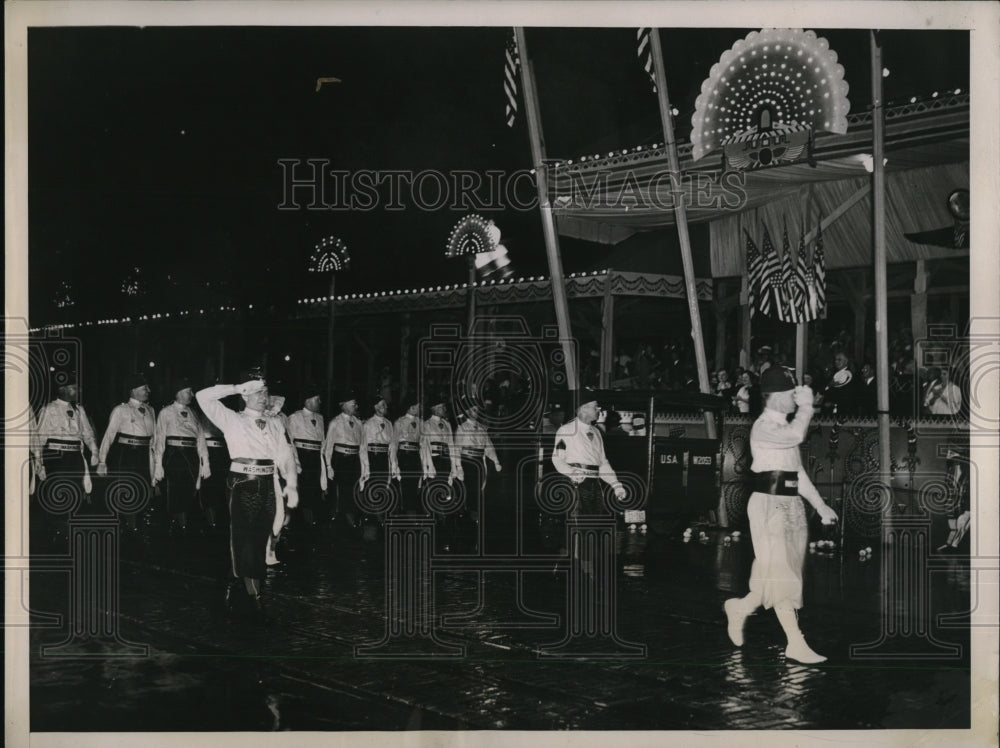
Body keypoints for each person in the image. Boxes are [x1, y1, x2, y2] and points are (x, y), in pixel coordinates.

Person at [724, 366, 839, 665]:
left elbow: (798, 474)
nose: (795, 398)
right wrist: (807, 407)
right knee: (782, 575)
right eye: (791, 394)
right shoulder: (764, 427)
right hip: (769, 506)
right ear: (774, 396)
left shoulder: (785, 431)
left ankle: (739, 609)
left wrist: (821, 506)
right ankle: (794, 643)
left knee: (770, 578)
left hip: (791, 506)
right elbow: (797, 433)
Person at [196, 370, 297, 620]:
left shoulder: (275, 422)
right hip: (243, 481)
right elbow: (203, 396)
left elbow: (285, 455)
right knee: (243, 536)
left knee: (261, 536)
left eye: (265, 392)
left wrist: (291, 484)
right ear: (246, 395)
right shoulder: (232, 419)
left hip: (268, 481)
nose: (264, 396)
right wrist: (237, 386)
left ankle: (240, 582)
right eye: (258, 392)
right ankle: (253, 593)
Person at [33, 372, 101, 523]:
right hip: (57, 457)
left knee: (76, 492)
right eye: (74, 388)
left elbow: (88, 433)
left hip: (75, 457)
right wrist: (39, 461)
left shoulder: (79, 410)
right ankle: (55, 528)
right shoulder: (48, 409)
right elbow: (39, 437)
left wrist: (94, 451)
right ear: (63, 389)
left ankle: (69, 527)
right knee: (57, 493)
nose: (79, 391)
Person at [97, 373, 156, 531]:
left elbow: (154, 438)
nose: (148, 391)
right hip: (126, 454)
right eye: (144, 388)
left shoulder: (150, 410)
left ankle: (137, 526)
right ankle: (126, 527)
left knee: (143, 490)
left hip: (144, 455)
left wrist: (156, 462)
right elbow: (109, 436)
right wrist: (102, 461)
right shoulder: (120, 410)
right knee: (126, 491)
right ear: (133, 390)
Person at [551, 396, 627, 517]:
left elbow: (602, 463)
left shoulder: (597, 432)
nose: (599, 409)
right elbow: (557, 458)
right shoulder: (566, 430)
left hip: (595, 486)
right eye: (595, 406)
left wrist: (616, 484)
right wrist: (571, 473)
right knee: (577, 527)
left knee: (595, 525)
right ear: (584, 408)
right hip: (575, 484)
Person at [154, 378, 210, 536]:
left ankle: (183, 522)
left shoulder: (193, 413)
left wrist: (206, 462)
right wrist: (158, 463)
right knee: (174, 490)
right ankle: (177, 524)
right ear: (178, 393)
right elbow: (159, 439)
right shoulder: (166, 412)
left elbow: (200, 439)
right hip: (174, 454)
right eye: (188, 391)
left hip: (191, 455)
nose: (192, 395)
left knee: (190, 489)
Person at [421, 399, 464, 551]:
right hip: (433, 459)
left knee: (446, 490)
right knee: (434, 490)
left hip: (445, 460)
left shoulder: (447, 424)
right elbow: (425, 446)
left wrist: (454, 465)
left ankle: (445, 521)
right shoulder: (426, 424)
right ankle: (437, 521)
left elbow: (451, 445)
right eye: (441, 406)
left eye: (444, 407)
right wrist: (428, 465)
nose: (444, 409)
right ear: (433, 408)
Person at [455, 404, 502, 533]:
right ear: (467, 412)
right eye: (472, 410)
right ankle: (469, 518)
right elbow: (457, 448)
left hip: (479, 461)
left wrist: (496, 461)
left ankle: (476, 519)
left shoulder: (481, 429)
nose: (475, 413)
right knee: (470, 489)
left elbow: (489, 447)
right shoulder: (461, 428)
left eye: (476, 410)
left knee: (480, 487)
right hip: (467, 462)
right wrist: (458, 466)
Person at [286, 384, 327, 528]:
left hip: (315, 458)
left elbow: (323, 441)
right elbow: (289, 442)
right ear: (307, 400)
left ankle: (312, 524)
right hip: (302, 458)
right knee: (302, 491)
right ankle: (299, 524)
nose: (320, 402)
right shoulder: (294, 417)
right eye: (317, 399)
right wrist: (295, 462)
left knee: (315, 490)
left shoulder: (321, 418)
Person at [359, 395, 399, 538]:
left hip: (384, 459)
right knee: (372, 488)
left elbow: (393, 445)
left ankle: (381, 519)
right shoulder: (367, 424)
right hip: (372, 458)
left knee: (384, 488)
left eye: (385, 405)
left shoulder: (389, 424)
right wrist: (366, 466)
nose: (385, 407)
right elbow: (363, 447)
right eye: (382, 405)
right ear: (375, 407)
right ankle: (372, 521)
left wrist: (393, 464)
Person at [324, 392, 364, 531]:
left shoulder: (359, 423)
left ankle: (350, 516)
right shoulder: (335, 422)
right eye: (353, 404)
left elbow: (363, 446)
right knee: (339, 489)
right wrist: (329, 466)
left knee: (353, 489)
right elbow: (328, 446)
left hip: (354, 459)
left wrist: (364, 466)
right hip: (340, 459)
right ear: (344, 405)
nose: (356, 406)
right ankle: (336, 516)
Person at [392, 396, 424, 515]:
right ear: (411, 407)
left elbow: (422, 443)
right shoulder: (399, 422)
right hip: (404, 457)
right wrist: (395, 464)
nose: (420, 409)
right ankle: (404, 512)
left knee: (415, 485)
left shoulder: (421, 422)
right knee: (404, 486)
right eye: (418, 407)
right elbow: (394, 444)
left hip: (415, 457)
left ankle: (413, 513)